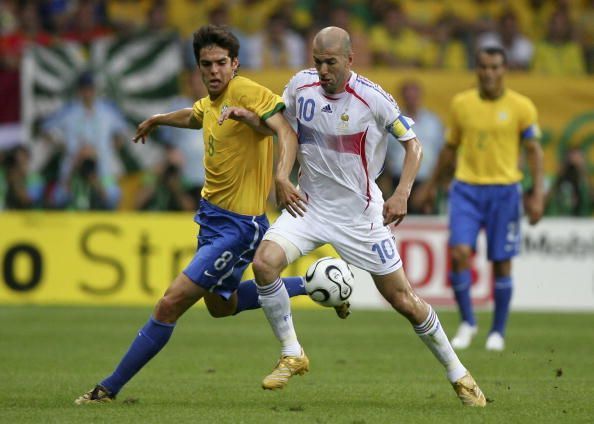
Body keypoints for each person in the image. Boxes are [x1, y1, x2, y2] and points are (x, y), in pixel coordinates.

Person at [251, 26, 486, 407]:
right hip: (308, 207)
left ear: (349, 59)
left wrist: (402, 193)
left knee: (404, 300)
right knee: (263, 264)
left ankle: (460, 376)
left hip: (360, 217)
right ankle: (292, 352)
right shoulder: (299, 86)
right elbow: (282, 129)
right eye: (317, 62)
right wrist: (250, 122)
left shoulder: (373, 98)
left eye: (330, 62)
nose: (323, 70)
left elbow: (414, 146)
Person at [74, 24, 309, 404]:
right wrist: (159, 118)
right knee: (221, 306)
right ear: (198, 68)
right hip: (212, 220)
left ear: (234, 64)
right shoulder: (213, 103)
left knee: (170, 303)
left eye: (220, 63)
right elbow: (195, 115)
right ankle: (313, 283)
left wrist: (282, 176)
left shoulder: (246, 90)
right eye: (206, 64)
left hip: (239, 226)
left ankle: (108, 388)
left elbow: (284, 130)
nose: (213, 71)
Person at [416, 46, 545, 352]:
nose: (489, 73)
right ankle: (468, 322)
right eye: (484, 67)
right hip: (466, 190)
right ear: (477, 69)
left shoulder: (521, 106)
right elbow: (450, 149)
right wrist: (430, 184)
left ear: (504, 70)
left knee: (501, 263)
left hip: (505, 191)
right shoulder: (462, 104)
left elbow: (533, 150)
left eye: (495, 67)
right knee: (459, 253)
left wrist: (537, 194)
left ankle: (497, 331)